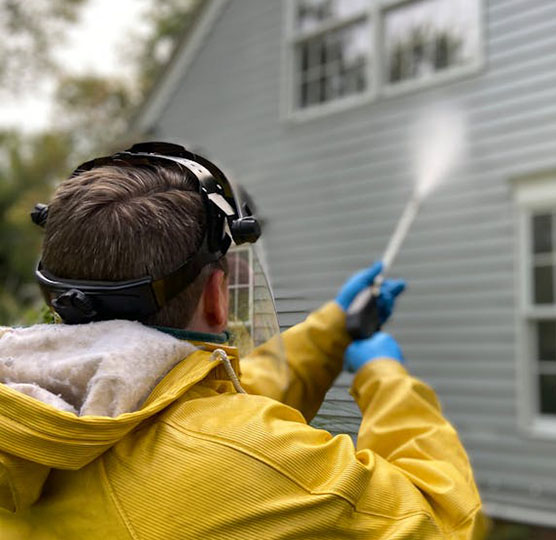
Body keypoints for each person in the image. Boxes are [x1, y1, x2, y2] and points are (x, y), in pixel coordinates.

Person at [0, 143, 486, 539]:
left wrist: (334, 329)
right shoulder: (237, 465)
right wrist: (386, 376)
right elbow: (440, 521)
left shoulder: (36, 410)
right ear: (216, 294)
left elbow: (206, 407)